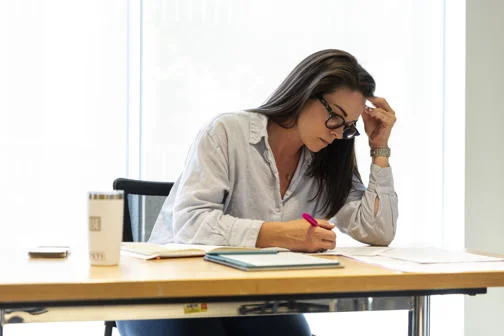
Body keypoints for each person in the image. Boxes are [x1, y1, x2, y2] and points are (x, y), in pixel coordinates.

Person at [117, 49, 398, 336]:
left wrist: (379, 149)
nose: (339, 134)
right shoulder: (226, 132)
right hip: (169, 291)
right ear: (306, 93)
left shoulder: (329, 161)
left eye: (349, 127)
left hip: (248, 298)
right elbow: (192, 224)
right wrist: (282, 234)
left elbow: (378, 232)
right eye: (336, 117)